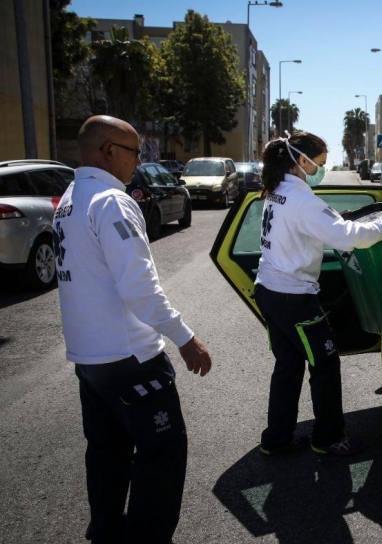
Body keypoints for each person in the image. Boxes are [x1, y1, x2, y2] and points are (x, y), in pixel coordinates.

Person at [53, 115, 212, 544]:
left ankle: (105, 532)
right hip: (131, 358)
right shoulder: (111, 201)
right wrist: (185, 337)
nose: (138, 162)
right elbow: (140, 288)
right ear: (109, 151)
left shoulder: (70, 198)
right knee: (161, 453)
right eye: (134, 152)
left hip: (89, 359)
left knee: (107, 452)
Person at [254, 131, 382, 456]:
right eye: (318, 163)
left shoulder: (278, 192)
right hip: (294, 298)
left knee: (288, 365)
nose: (320, 168)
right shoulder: (302, 199)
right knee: (325, 363)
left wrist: (334, 221)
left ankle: (277, 439)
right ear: (301, 160)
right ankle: (328, 438)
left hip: (270, 290)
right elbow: (345, 238)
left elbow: (315, 226)